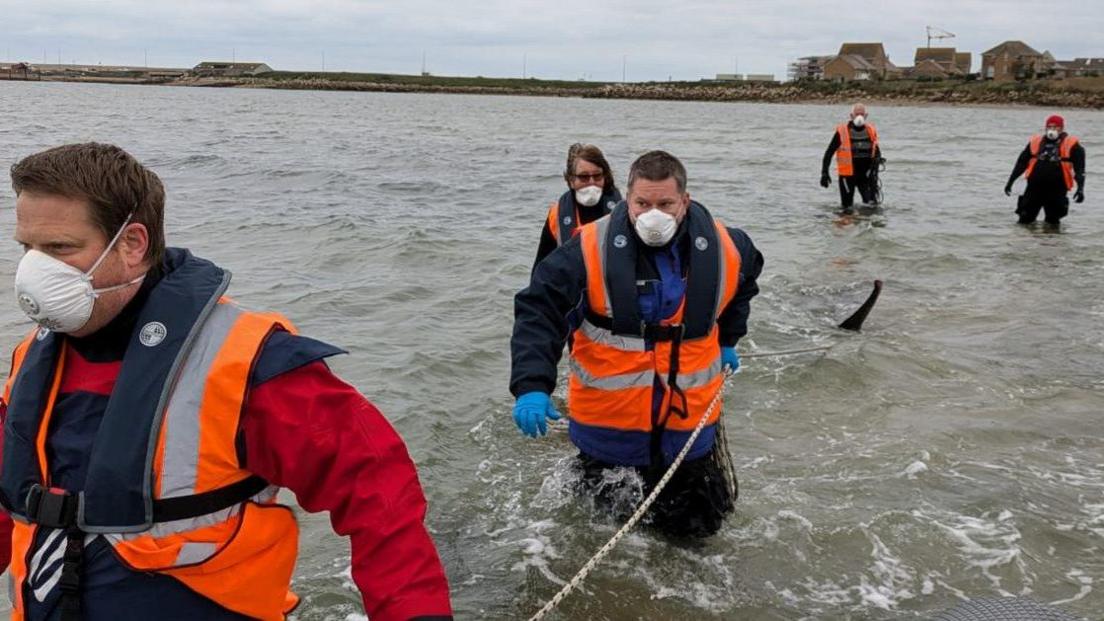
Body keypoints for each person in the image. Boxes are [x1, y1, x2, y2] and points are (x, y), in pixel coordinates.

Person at [0, 143, 453, 621]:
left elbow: (378, 490)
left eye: (60, 249)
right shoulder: (33, 359)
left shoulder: (250, 363)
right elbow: (13, 497)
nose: (34, 272)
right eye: (27, 248)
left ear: (133, 244)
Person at [510, 150, 763, 539]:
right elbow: (539, 311)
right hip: (610, 431)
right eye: (643, 203)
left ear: (685, 201)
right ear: (628, 199)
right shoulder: (586, 250)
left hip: (689, 430)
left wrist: (729, 337)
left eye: (665, 203)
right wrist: (531, 386)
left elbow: (746, 282)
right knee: (607, 542)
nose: (653, 214)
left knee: (695, 542)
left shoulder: (728, 244)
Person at [532, 143, 622, 271]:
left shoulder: (622, 213)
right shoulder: (556, 216)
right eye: (584, 177)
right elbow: (541, 267)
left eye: (597, 176)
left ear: (605, 177)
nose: (591, 183)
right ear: (571, 180)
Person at [1004, 114, 1086, 227]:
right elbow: (1021, 163)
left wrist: (1080, 189)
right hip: (1034, 187)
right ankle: (1026, 243)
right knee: (1025, 220)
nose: (1052, 129)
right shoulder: (1035, 142)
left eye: (1056, 127)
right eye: (1050, 126)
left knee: (1053, 222)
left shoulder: (1073, 146)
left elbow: (1080, 170)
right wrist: (1010, 182)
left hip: (1057, 188)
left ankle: (1051, 243)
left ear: (1062, 128)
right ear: (1046, 128)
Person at [821, 103, 882, 210]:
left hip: (866, 176)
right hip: (847, 176)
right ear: (851, 115)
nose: (859, 117)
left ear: (866, 116)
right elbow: (829, 153)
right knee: (846, 209)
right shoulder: (842, 131)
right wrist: (824, 173)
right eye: (857, 114)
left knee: (872, 207)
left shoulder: (871, 130)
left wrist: (876, 165)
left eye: (862, 114)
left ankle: (867, 225)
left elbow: (877, 151)